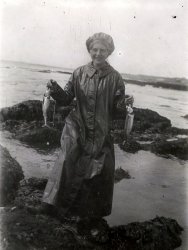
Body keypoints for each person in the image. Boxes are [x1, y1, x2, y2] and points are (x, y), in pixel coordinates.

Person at [42, 32, 133, 237]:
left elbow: (118, 111)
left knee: (99, 170)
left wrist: (125, 104)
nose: (98, 53)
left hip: (101, 131)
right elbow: (66, 99)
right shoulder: (78, 73)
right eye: (95, 49)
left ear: (109, 51)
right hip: (77, 125)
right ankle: (51, 206)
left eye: (102, 50)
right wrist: (54, 89)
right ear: (89, 50)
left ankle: (90, 216)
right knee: (67, 159)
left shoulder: (116, 78)